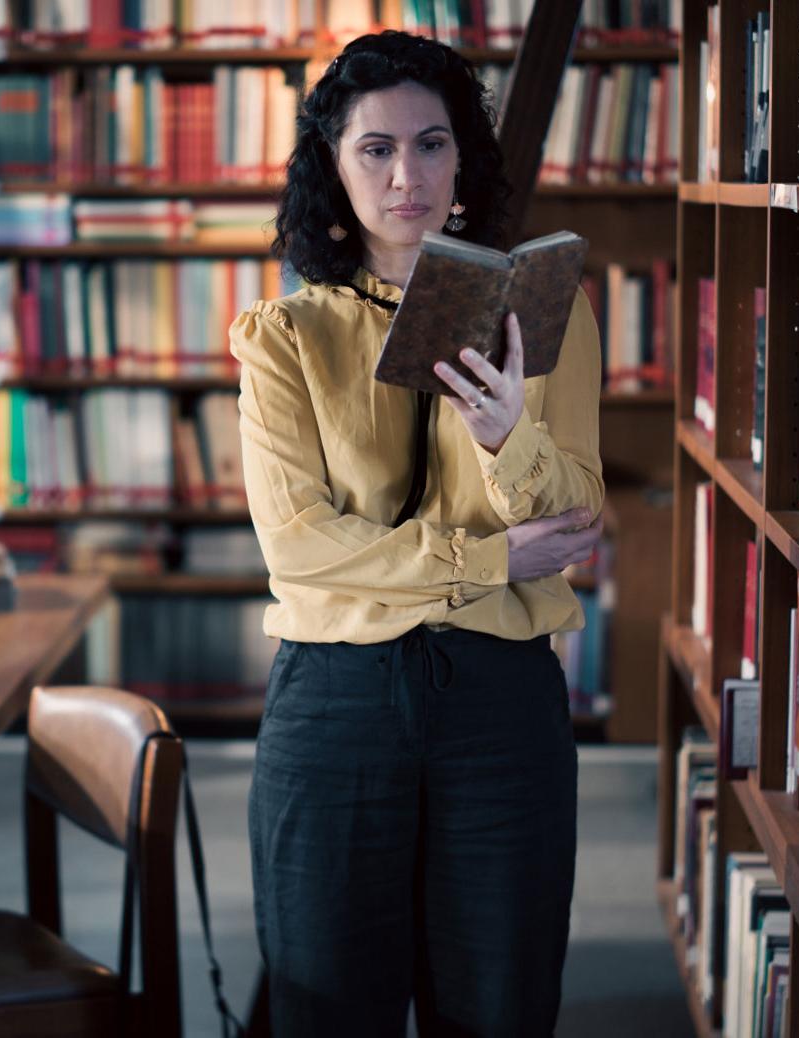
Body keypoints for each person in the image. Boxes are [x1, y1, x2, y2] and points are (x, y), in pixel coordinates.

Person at [231, 29, 607, 1036]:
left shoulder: (542, 315)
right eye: (377, 149)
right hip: (337, 699)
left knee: (500, 1002)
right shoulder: (286, 340)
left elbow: (571, 517)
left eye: (433, 144)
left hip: (502, 704)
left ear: (462, 159)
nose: (409, 176)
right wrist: (483, 559)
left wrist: (503, 434)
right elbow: (300, 549)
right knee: (326, 1004)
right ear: (333, 166)